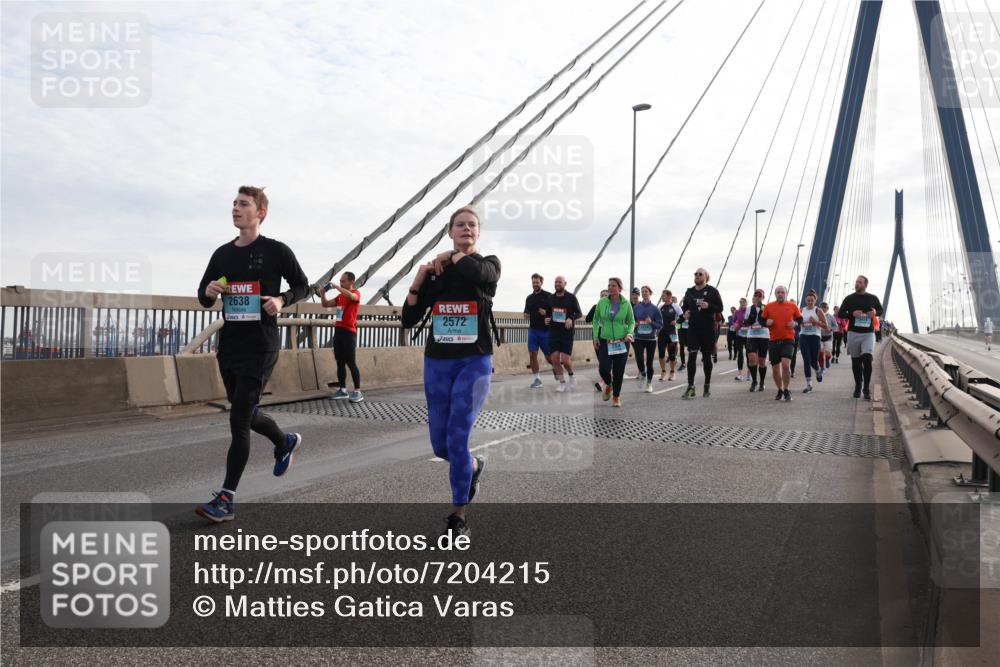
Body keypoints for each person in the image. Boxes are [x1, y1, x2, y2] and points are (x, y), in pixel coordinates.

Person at [195, 186, 310, 523]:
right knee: (245, 412)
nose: (236, 208)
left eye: (243, 204)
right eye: (233, 203)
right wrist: (209, 290)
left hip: (262, 345)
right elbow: (203, 297)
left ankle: (226, 498)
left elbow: (304, 285)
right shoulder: (222, 255)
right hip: (230, 346)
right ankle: (284, 440)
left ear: (260, 213)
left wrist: (282, 300)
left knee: (239, 419)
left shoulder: (276, 251)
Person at [401, 205, 499, 537]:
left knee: (457, 438)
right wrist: (419, 278)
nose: (467, 229)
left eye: (472, 225)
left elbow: (478, 275)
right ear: (450, 230)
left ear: (478, 232)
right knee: (440, 447)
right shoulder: (437, 274)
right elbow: (409, 319)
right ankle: (473, 466)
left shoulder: (489, 265)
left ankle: (458, 517)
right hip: (438, 364)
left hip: (475, 361)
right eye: (460, 225)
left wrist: (451, 255)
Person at [318, 271, 363, 402]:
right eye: (340, 281)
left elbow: (353, 297)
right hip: (338, 331)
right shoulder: (339, 297)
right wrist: (322, 294)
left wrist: (337, 287)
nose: (341, 283)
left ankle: (357, 391)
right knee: (340, 362)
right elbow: (325, 305)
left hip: (349, 332)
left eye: (343, 281)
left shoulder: (356, 293)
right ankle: (343, 390)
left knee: (351, 362)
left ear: (351, 282)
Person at [837, 275, 884, 400]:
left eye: (859, 282)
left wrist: (875, 313)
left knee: (867, 359)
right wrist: (851, 314)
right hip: (853, 333)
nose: (857, 284)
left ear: (865, 285)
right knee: (856, 362)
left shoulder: (872, 298)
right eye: (856, 282)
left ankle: (866, 388)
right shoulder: (849, 299)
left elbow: (880, 310)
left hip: (868, 334)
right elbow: (841, 313)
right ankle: (858, 385)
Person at [680, 268, 724, 398]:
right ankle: (691, 387)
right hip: (693, 328)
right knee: (692, 357)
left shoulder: (712, 291)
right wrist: (686, 312)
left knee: (706, 358)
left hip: (708, 329)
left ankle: (707, 385)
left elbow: (720, 307)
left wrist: (709, 306)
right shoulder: (689, 292)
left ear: (706, 277)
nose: (697, 276)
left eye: (700, 274)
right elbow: (685, 307)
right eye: (695, 274)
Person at [592, 277, 635, 407]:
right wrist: (595, 336)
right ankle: (608, 384)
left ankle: (616, 396)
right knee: (603, 368)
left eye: (613, 286)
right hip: (605, 340)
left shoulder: (626, 304)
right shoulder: (602, 302)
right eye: (609, 285)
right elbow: (595, 319)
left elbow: (632, 321)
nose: (610, 288)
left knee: (619, 371)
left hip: (622, 341)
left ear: (620, 288)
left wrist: (629, 333)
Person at [762, 285, 802, 402]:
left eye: (782, 292)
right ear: (775, 294)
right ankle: (780, 389)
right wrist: (766, 322)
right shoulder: (769, 306)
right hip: (774, 340)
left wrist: (795, 323)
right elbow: (762, 319)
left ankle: (787, 389)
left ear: (786, 293)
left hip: (788, 339)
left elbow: (800, 319)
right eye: (778, 292)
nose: (780, 294)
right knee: (775, 369)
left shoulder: (792, 306)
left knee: (785, 365)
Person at [544, 276, 583, 392]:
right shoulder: (550, 298)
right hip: (554, 332)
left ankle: (571, 375)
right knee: (555, 359)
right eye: (556, 282)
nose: (557, 284)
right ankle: (562, 383)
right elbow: (548, 313)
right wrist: (546, 319)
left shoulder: (571, 298)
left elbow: (579, 313)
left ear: (565, 283)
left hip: (567, 333)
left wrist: (571, 318)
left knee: (565, 360)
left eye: (559, 282)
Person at [523, 273, 552, 389]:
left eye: (537, 282)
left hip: (546, 331)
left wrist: (546, 313)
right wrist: (525, 315)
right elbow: (526, 312)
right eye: (533, 282)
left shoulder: (549, 296)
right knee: (532, 354)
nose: (535, 284)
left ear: (541, 282)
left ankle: (556, 368)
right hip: (533, 331)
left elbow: (555, 312)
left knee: (549, 358)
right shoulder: (529, 298)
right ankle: (537, 380)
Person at [632, 285, 663, 392]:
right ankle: (643, 373)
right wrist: (634, 324)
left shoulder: (655, 309)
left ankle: (649, 384)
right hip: (639, 337)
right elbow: (631, 321)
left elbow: (660, 325)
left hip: (651, 339)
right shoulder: (636, 308)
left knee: (649, 362)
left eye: (646, 291)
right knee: (639, 359)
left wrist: (651, 323)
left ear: (650, 293)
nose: (644, 293)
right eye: (643, 291)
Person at [798, 290, 829, 393]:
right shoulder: (801, 310)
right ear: (805, 300)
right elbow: (797, 322)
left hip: (815, 337)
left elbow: (826, 326)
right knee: (806, 360)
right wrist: (800, 323)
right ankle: (809, 384)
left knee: (813, 361)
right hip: (804, 337)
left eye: (812, 300)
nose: (810, 302)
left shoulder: (818, 311)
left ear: (815, 301)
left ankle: (818, 370)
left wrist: (815, 322)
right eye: (808, 300)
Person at [744, 289, 769, 392]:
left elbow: (771, 321)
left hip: (763, 336)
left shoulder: (767, 308)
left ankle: (762, 382)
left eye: (760, 296)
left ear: (763, 298)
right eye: (756, 295)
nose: (758, 297)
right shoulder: (749, 309)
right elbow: (746, 322)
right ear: (753, 297)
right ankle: (754, 381)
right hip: (752, 336)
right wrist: (751, 318)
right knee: (752, 358)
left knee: (762, 362)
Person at [657, 288, 679, 381]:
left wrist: (677, 321)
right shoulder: (660, 307)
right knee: (661, 354)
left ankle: (673, 372)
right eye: (662, 295)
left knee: (672, 355)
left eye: (664, 295)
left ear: (669, 296)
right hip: (662, 334)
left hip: (672, 334)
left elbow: (683, 317)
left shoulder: (675, 306)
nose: (662, 297)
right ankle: (663, 371)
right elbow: (656, 318)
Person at [732, 298, 748, 381]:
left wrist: (747, 325)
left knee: (749, 354)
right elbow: (733, 321)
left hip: (748, 335)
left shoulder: (749, 311)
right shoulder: (737, 312)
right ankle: (740, 374)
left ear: (746, 303)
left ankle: (749, 374)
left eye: (744, 302)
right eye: (741, 302)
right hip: (739, 335)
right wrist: (736, 324)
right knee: (740, 354)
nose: (742, 304)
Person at [820, 301, 835, 370]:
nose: (823, 309)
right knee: (820, 352)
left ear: (827, 309)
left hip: (828, 337)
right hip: (819, 337)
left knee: (828, 353)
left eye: (825, 308)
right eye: (822, 307)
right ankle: (822, 366)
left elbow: (836, 327)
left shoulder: (831, 317)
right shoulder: (817, 316)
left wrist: (831, 329)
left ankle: (827, 359)